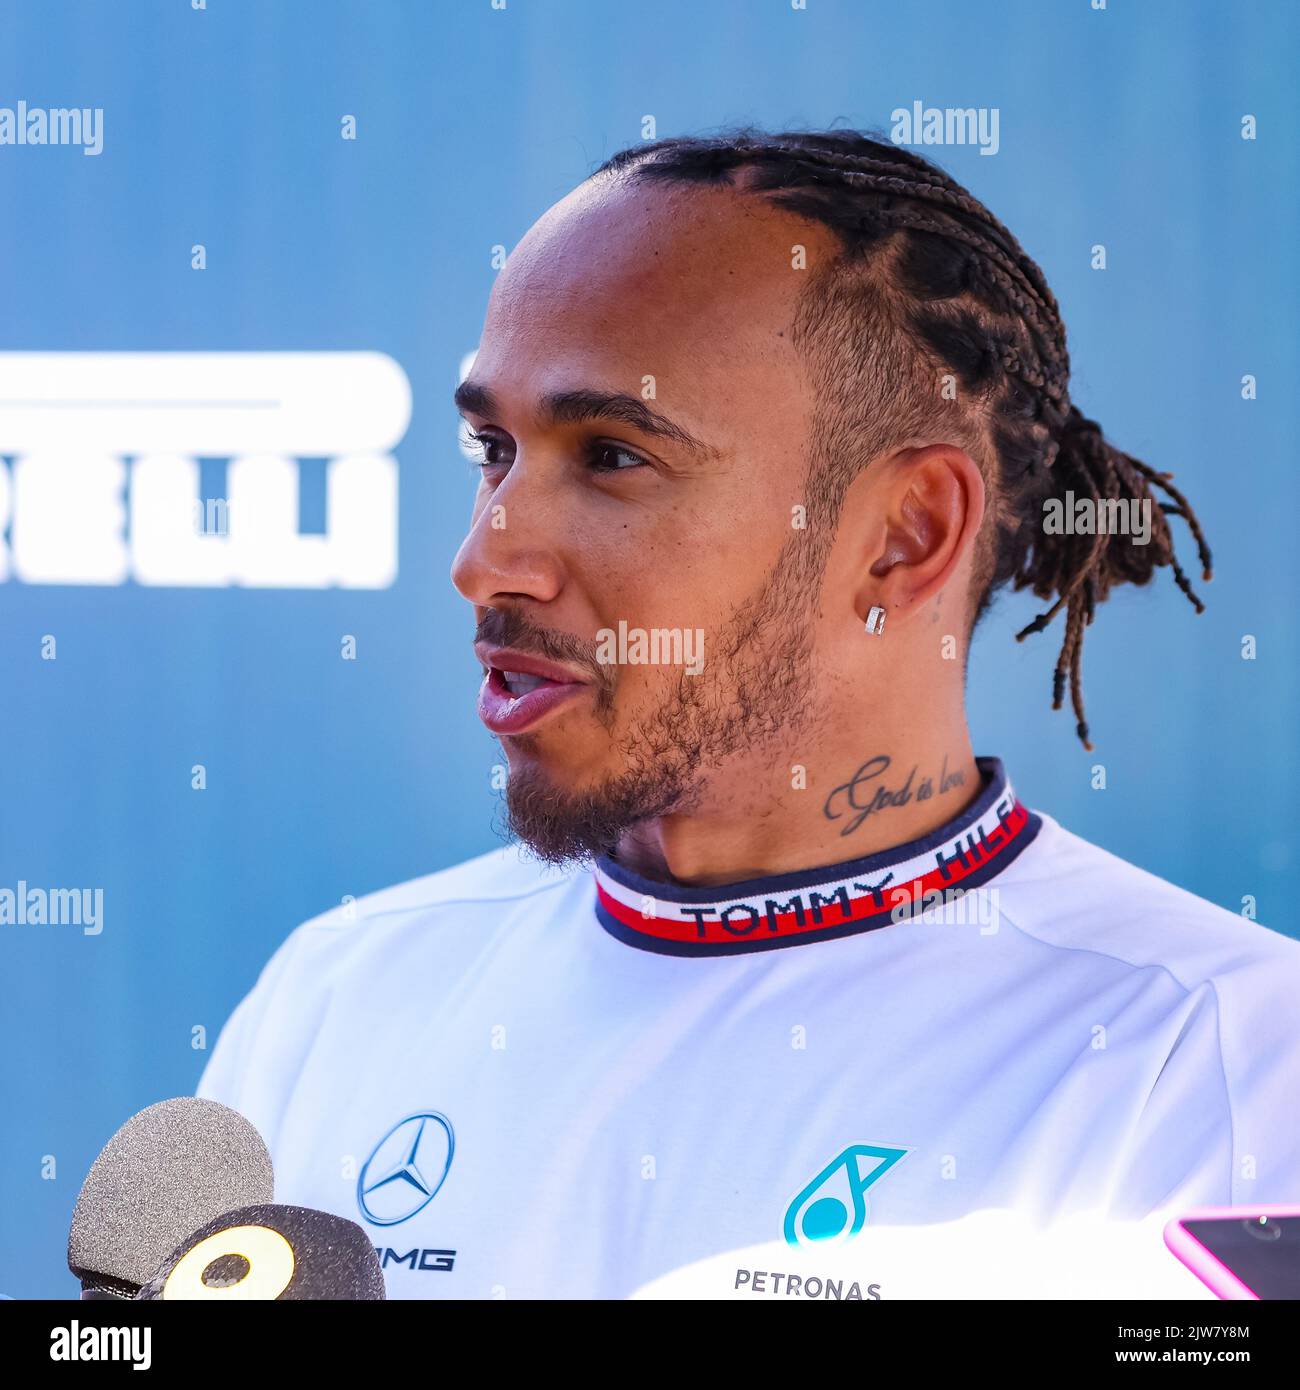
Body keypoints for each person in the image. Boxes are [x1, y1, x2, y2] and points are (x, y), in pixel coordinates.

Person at [198, 129, 1300, 1300]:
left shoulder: (1222, 1062)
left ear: (905, 535)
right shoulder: (336, 994)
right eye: (494, 449)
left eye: (613, 454)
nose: (485, 561)